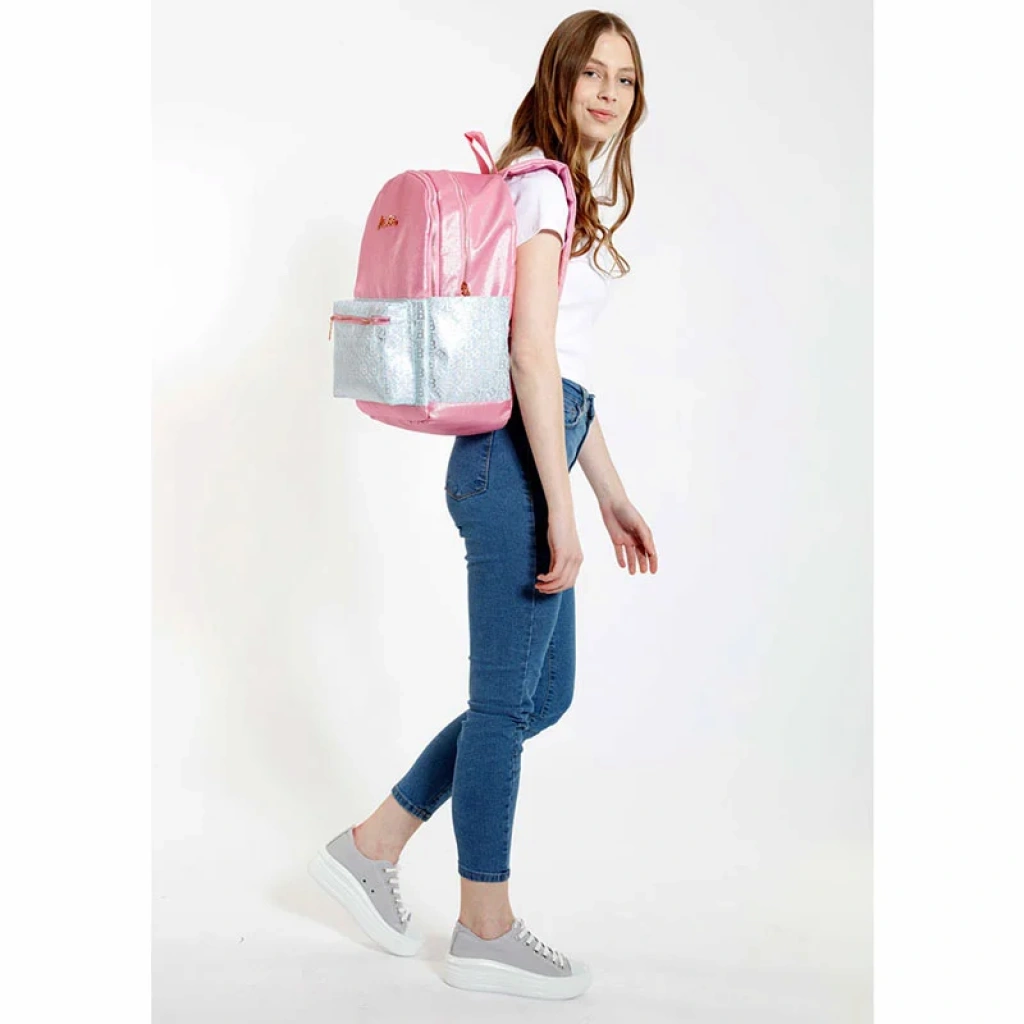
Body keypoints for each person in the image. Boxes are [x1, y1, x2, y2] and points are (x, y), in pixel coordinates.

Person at [309, 10, 657, 1000]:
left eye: (625, 79)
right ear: (559, 79)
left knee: (543, 696)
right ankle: (483, 926)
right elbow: (529, 356)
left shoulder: (549, 186)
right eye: (591, 73)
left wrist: (611, 495)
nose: (608, 92)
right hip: (512, 470)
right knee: (506, 704)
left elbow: (566, 376)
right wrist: (560, 509)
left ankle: (371, 844)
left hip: (526, 455)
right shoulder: (543, 186)